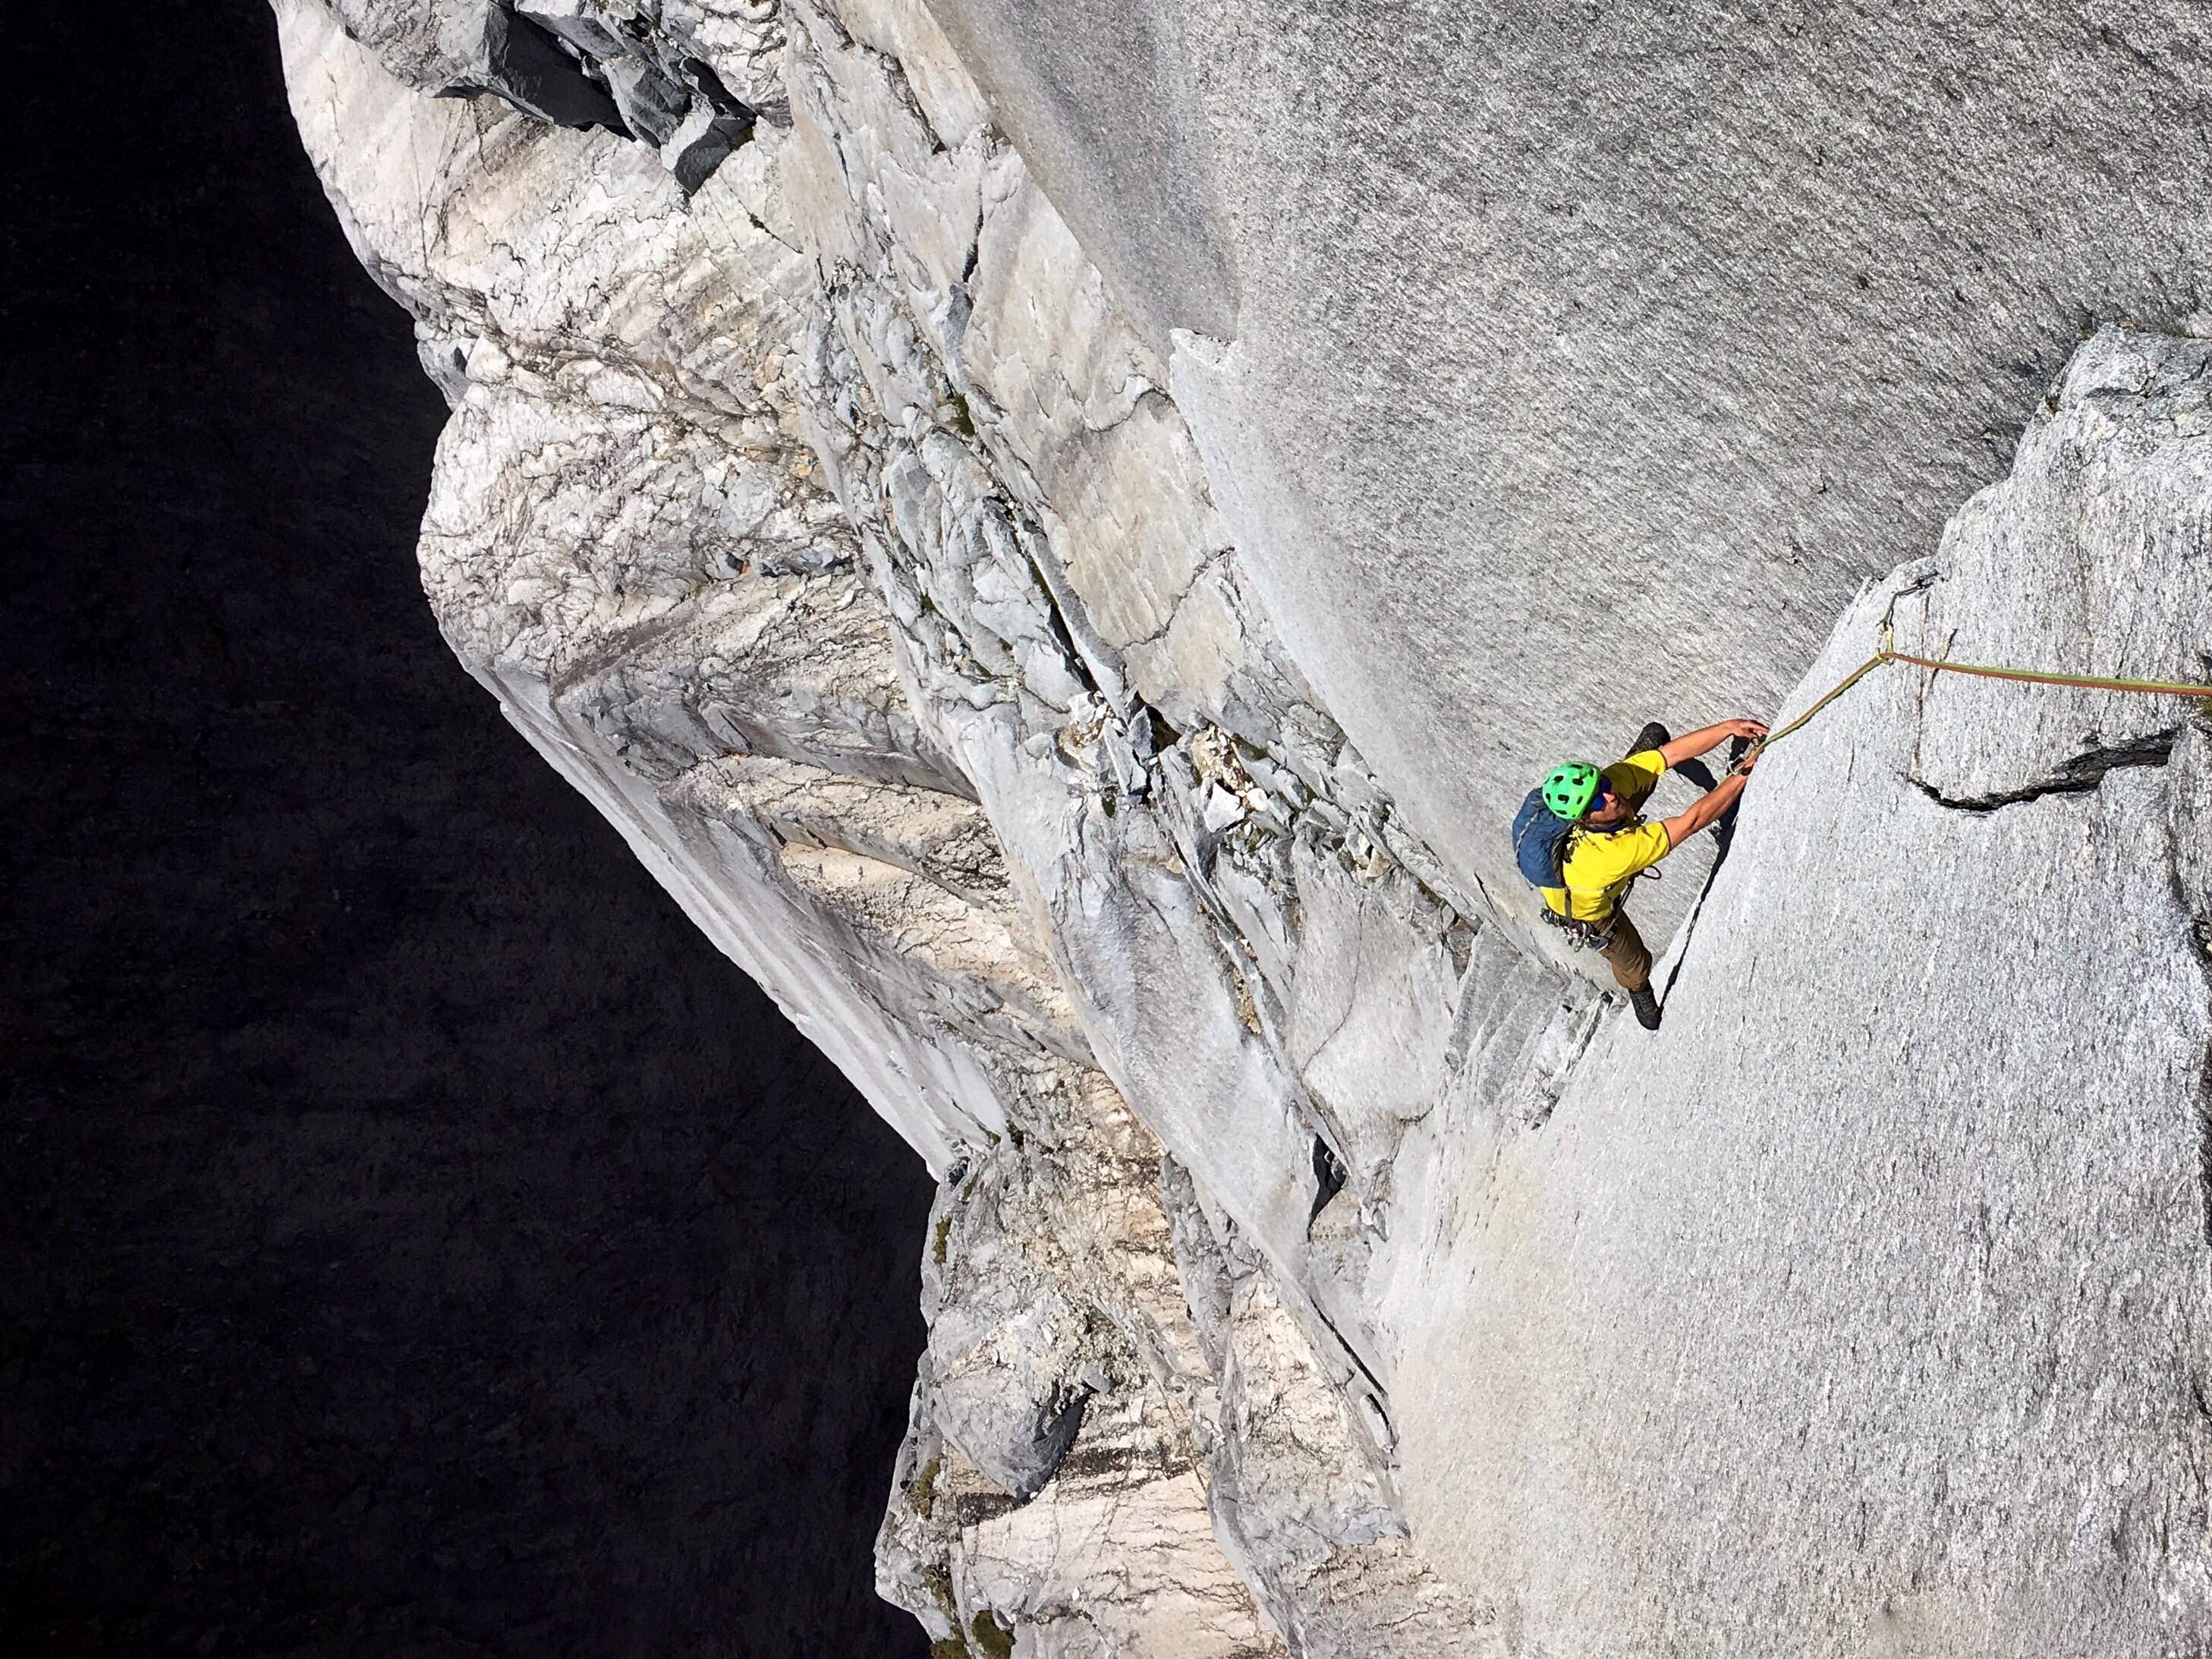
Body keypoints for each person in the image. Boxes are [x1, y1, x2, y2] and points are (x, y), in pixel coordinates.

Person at [1536, 718, 1768, 1030]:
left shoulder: (1606, 791)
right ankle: (1639, 991)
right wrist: (1743, 774)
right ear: (1583, 820)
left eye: (1601, 785)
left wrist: (1728, 728)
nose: (1608, 795)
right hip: (1588, 913)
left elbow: (1670, 755)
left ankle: (1637, 763)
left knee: (1635, 777)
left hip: (1597, 849)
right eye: (1597, 800)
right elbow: (1690, 822)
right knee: (1634, 962)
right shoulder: (1613, 855)